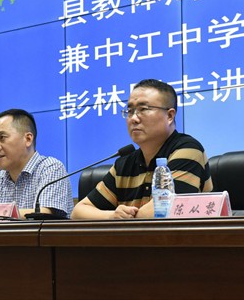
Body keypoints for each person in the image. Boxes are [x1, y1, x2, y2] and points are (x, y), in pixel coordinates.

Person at [71, 79, 213, 220]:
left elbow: (165, 209)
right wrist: (113, 216)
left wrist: (124, 220)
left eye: (143, 109)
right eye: (130, 111)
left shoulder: (188, 150)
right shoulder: (124, 164)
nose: (133, 118)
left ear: (169, 116)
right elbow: (78, 213)